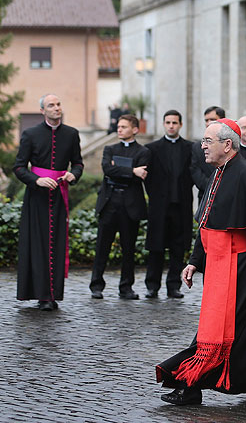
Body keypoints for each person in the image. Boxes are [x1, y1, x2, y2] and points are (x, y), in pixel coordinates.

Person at [156, 119, 246, 405]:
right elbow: (207, 224)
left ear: (227, 144)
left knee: (228, 332)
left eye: (208, 141)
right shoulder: (217, 173)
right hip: (219, 267)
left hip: (241, 269)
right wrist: (195, 261)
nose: (202, 146)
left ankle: (189, 384)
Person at [13, 94, 83, 311]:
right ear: (42, 111)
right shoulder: (30, 134)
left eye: (58, 104)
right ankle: (42, 295)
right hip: (37, 198)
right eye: (51, 105)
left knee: (57, 244)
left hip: (59, 196)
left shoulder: (71, 134)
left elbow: (78, 163)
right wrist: (37, 180)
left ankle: (53, 295)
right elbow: (19, 167)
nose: (56, 108)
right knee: (39, 244)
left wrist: (73, 175)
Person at [89, 114, 151, 300]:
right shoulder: (109, 148)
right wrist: (132, 171)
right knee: (102, 247)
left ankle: (126, 287)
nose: (119, 129)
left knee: (128, 249)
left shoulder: (143, 151)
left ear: (134, 130)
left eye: (124, 126)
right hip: (109, 203)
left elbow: (142, 174)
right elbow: (108, 170)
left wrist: (121, 171)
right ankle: (96, 285)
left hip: (129, 205)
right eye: (119, 126)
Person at [144, 110, 193, 299]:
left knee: (177, 248)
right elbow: (147, 178)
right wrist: (156, 196)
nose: (171, 125)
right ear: (163, 124)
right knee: (156, 247)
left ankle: (174, 286)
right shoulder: (152, 148)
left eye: (174, 122)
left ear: (180, 125)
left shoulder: (190, 147)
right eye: (168, 122)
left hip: (181, 205)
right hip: (159, 206)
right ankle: (152, 285)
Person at [191, 106, 226, 202]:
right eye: (206, 120)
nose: (209, 123)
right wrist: (212, 187)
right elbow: (195, 170)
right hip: (205, 196)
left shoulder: (230, 144)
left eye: (213, 119)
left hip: (228, 195)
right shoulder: (197, 146)